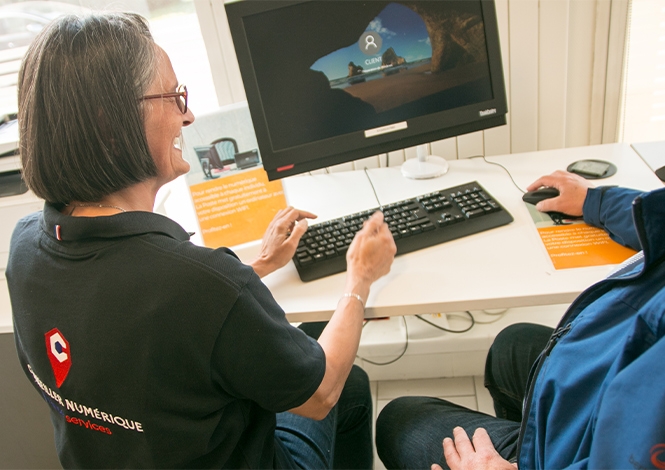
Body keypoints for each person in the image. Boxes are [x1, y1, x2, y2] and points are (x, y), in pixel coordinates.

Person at [7, 12, 396, 469]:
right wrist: (360, 280)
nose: (188, 115)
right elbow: (319, 394)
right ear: (110, 123)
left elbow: (141, 326)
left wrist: (258, 267)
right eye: (174, 97)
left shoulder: (26, 246)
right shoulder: (198, 283)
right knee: (344, 384)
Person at [375, 170, 665, 469]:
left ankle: (521, 458)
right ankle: (525, 444)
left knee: (399, 421)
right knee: (511, 345)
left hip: (580, 451)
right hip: (603, 388)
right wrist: (596, 201)